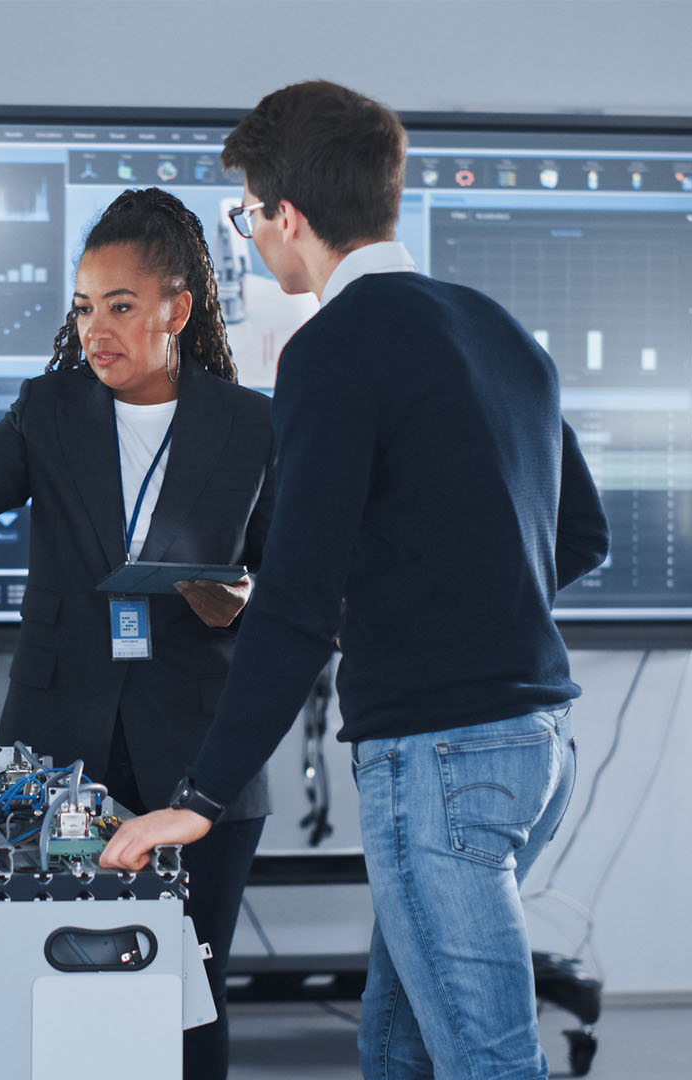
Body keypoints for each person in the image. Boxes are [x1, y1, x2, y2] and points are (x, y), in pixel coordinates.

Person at [100, 81, 611, 1080]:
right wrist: (438, 598)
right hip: (541, 746)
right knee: (397, 1039)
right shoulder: (498, 327)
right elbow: (580, 536)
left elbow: (294, 594)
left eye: (247, 214)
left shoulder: (334, 347)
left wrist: (199, 796)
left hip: (440, 763)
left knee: (486, 1061)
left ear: (289, 217)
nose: (247, 236)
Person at [0, 187, 275, 1080]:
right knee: (53, 977)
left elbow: (290, 570)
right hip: (61, 735)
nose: (98, 329)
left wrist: (243, 597)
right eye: (85, 308)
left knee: (190, 987)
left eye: (122, 307)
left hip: (200, 744)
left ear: (178, 307)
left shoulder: (250, 424)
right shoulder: (49, 408)